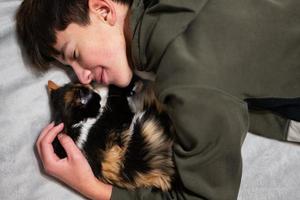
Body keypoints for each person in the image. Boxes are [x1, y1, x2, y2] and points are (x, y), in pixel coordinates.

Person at [16, 0, 300, 199]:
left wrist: (95, 189)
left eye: (75, 55)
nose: (82, 77)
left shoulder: (189, 83)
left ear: (103, 10)